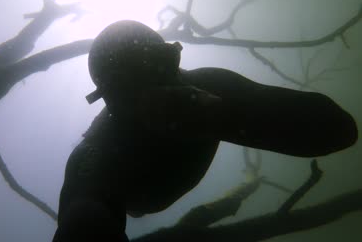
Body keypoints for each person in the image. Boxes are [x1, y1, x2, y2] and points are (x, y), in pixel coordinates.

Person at [52, 20, 358, 241]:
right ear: (113, 101)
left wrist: (224, 116)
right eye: (130, 88)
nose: (155, 94)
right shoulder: (97, 151)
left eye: (159, 66)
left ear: (174, 62)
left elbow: (339, 129)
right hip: (132, 195)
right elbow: (82, 218)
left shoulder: (211, 87)